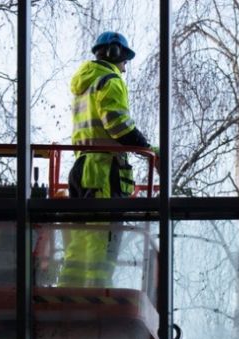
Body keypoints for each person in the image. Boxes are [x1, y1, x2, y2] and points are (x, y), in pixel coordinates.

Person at [58, 31, 155, 288]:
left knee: (80, 239)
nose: (124, 68)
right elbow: (117, 125)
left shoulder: (84, 84)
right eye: (125, 60)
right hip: (102, 172)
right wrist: (145, 146)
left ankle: (68, 292)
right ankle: (98, 294)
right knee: (103, 238)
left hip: (81, 167)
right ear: (114, 53)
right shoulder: (110, 81)